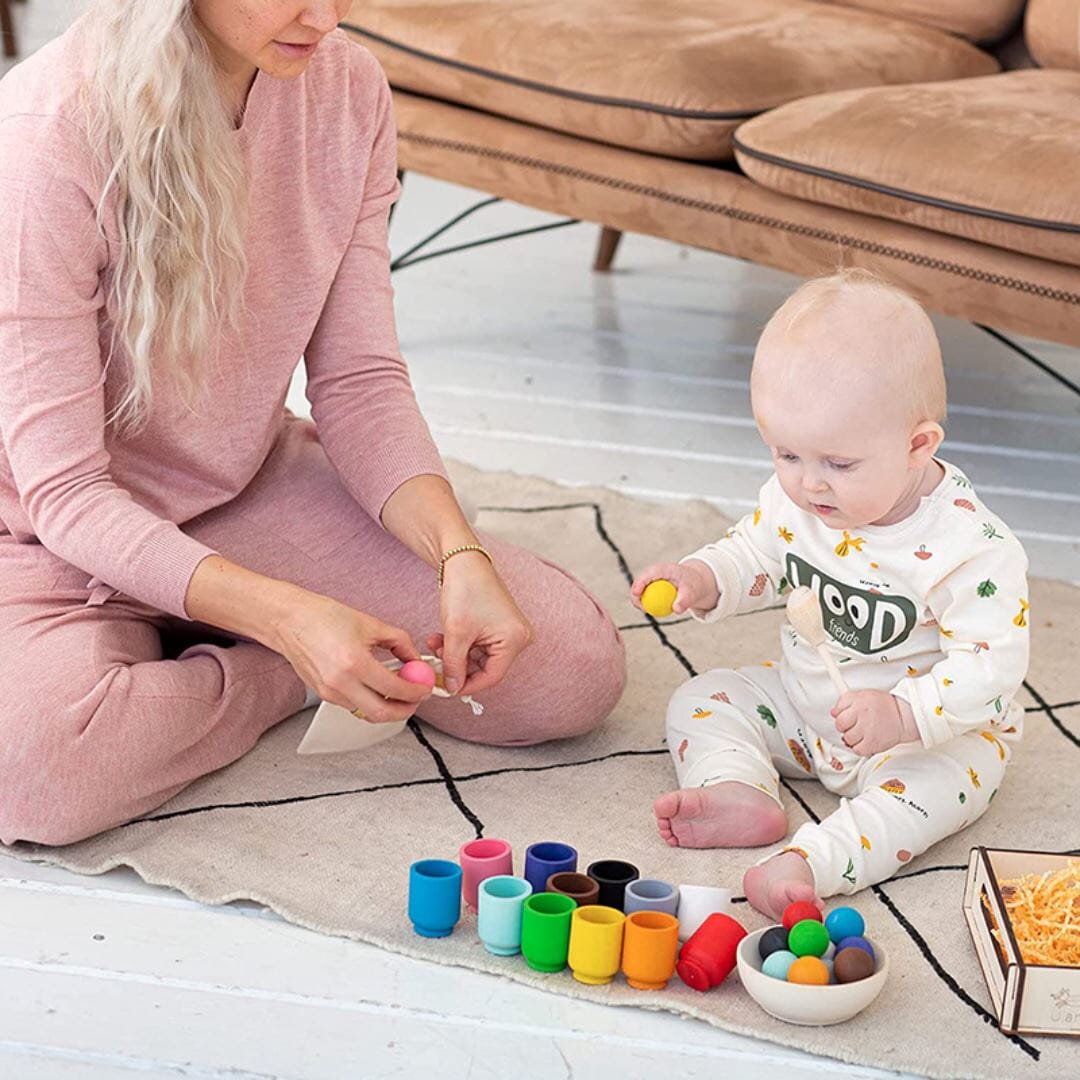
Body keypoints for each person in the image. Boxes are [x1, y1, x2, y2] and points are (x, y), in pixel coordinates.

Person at [0, 1, 626, 847]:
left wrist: (459, 554)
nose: (326, 15)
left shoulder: (348, 91)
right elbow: (68, 492)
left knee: (570, 675)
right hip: (41, 531)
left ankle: (218, 633)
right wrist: (290, 628)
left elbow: (360, 380)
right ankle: (274, 670)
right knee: (37, 774)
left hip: (238, 485)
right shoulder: (45, 137)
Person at [631, 270, 1029, 918]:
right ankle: (736, 789)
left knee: (937, 791)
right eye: (785, 454)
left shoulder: (971, 548)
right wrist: (705, 578)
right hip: (806, 708)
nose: (809, 484)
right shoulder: (801, 503)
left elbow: (993, 668)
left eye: (838, 465)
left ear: (916, 445)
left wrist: (905, 716)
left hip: (922, 740)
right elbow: (757, 553)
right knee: (703, 698)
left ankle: (811, 863)